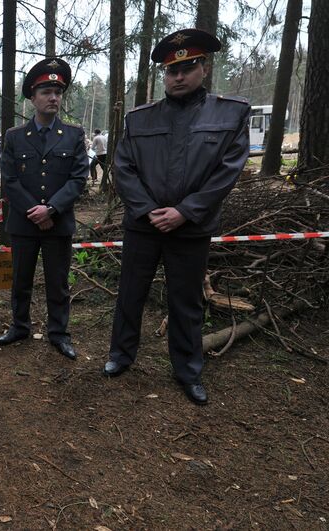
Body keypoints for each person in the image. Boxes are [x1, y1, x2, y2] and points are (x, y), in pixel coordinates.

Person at [103, 29, 250, 406]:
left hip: (191, 229)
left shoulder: (229, 113)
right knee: (130, 294)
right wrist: (150, 211)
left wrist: (185, 212)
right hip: (143, 226)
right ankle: (121, 355)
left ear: (204, 67)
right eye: (171, 70)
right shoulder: (140, 119)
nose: (178, 76)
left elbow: (226, 173)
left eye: (187, 67)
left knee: (186, 301)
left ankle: (187, 370)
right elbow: (124, 169)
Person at [0, 57, 88, 361]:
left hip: (58, 224)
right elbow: (9, 180)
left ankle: (59, 333)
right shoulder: (13, 136)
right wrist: (34, 211)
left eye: (58, 92)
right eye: (46, 91)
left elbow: (78, 178)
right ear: (32, 98)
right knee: (20, 280)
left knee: (58, 284)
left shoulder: (74, 135)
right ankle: (19, 326)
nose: (53, 97)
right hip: (23, 225)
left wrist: (51, 210)